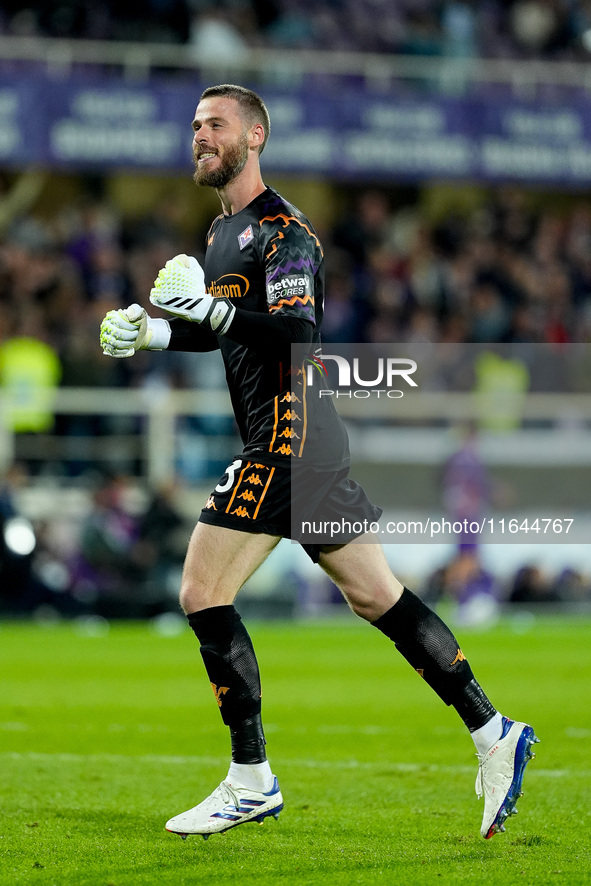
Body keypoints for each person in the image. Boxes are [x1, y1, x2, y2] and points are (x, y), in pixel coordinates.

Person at [99, 84, 538, 842]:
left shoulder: (285, 232)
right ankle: (493, 731)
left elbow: (296, 331)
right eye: (195, 126)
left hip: (286, 437)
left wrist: (206, 310)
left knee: (202, 591)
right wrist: (162, 336)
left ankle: (250, 778)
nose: (198, 136)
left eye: (214, 125)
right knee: (377, 598)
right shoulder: (222, 232)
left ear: (254, 136)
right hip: (306, 440)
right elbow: (233, 334)